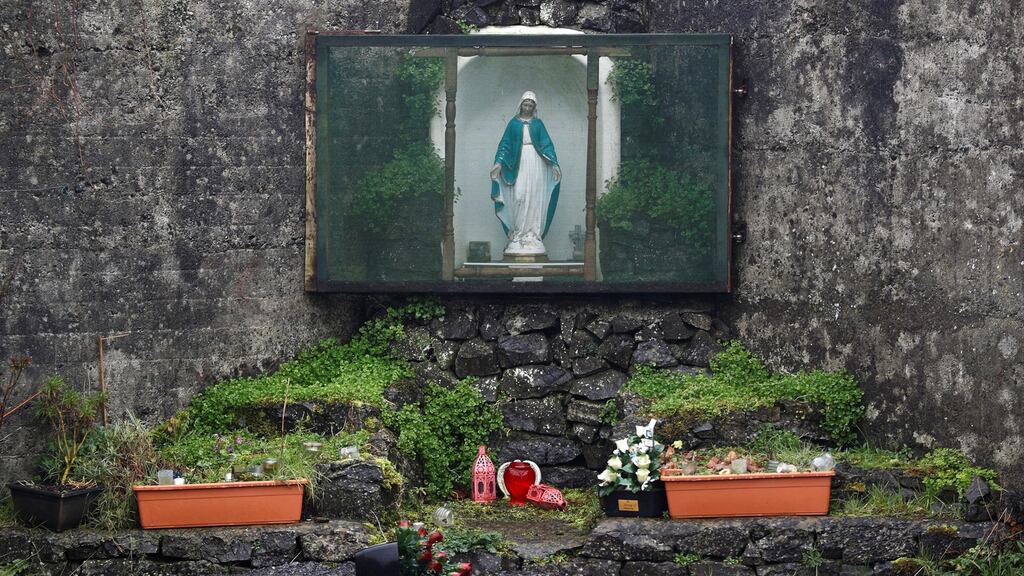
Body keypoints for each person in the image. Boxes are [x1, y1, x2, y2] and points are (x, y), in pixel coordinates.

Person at [490, 91, 561, 260]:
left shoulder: (538, 124)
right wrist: (499, 162)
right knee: (519, 195)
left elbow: (547, 145)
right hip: (518, 162)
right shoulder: (513, 124)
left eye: (531, 105)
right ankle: (518, 234)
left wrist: (554, 164)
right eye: (525, 104)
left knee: (534, 196)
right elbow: (505, 145)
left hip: (536, 163)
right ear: (521, 104)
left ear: (534, 107)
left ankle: (532, 234)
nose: (527, 108)